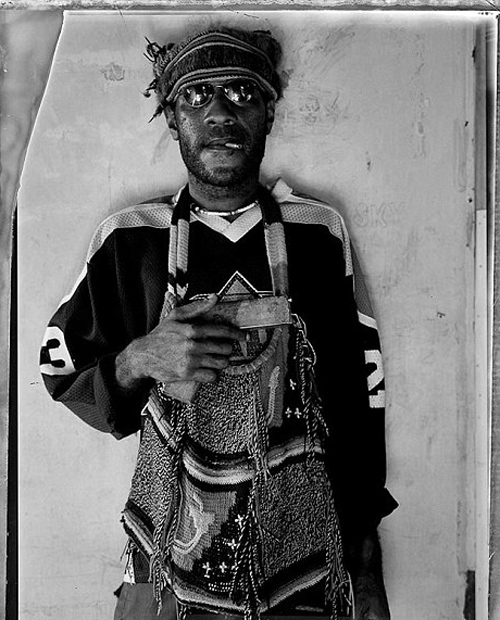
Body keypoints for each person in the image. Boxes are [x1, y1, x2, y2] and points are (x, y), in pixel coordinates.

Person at [40, 26, 397, 620]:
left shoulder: (317, 234)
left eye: (242, 94)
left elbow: (361, 400)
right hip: (166, 561)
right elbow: (59, 370)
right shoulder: (132, 239)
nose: (220, 113)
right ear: (172, 119)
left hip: (301, 555)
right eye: (196, 97)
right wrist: (141, 358)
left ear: (268, 114)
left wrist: (365, 563)